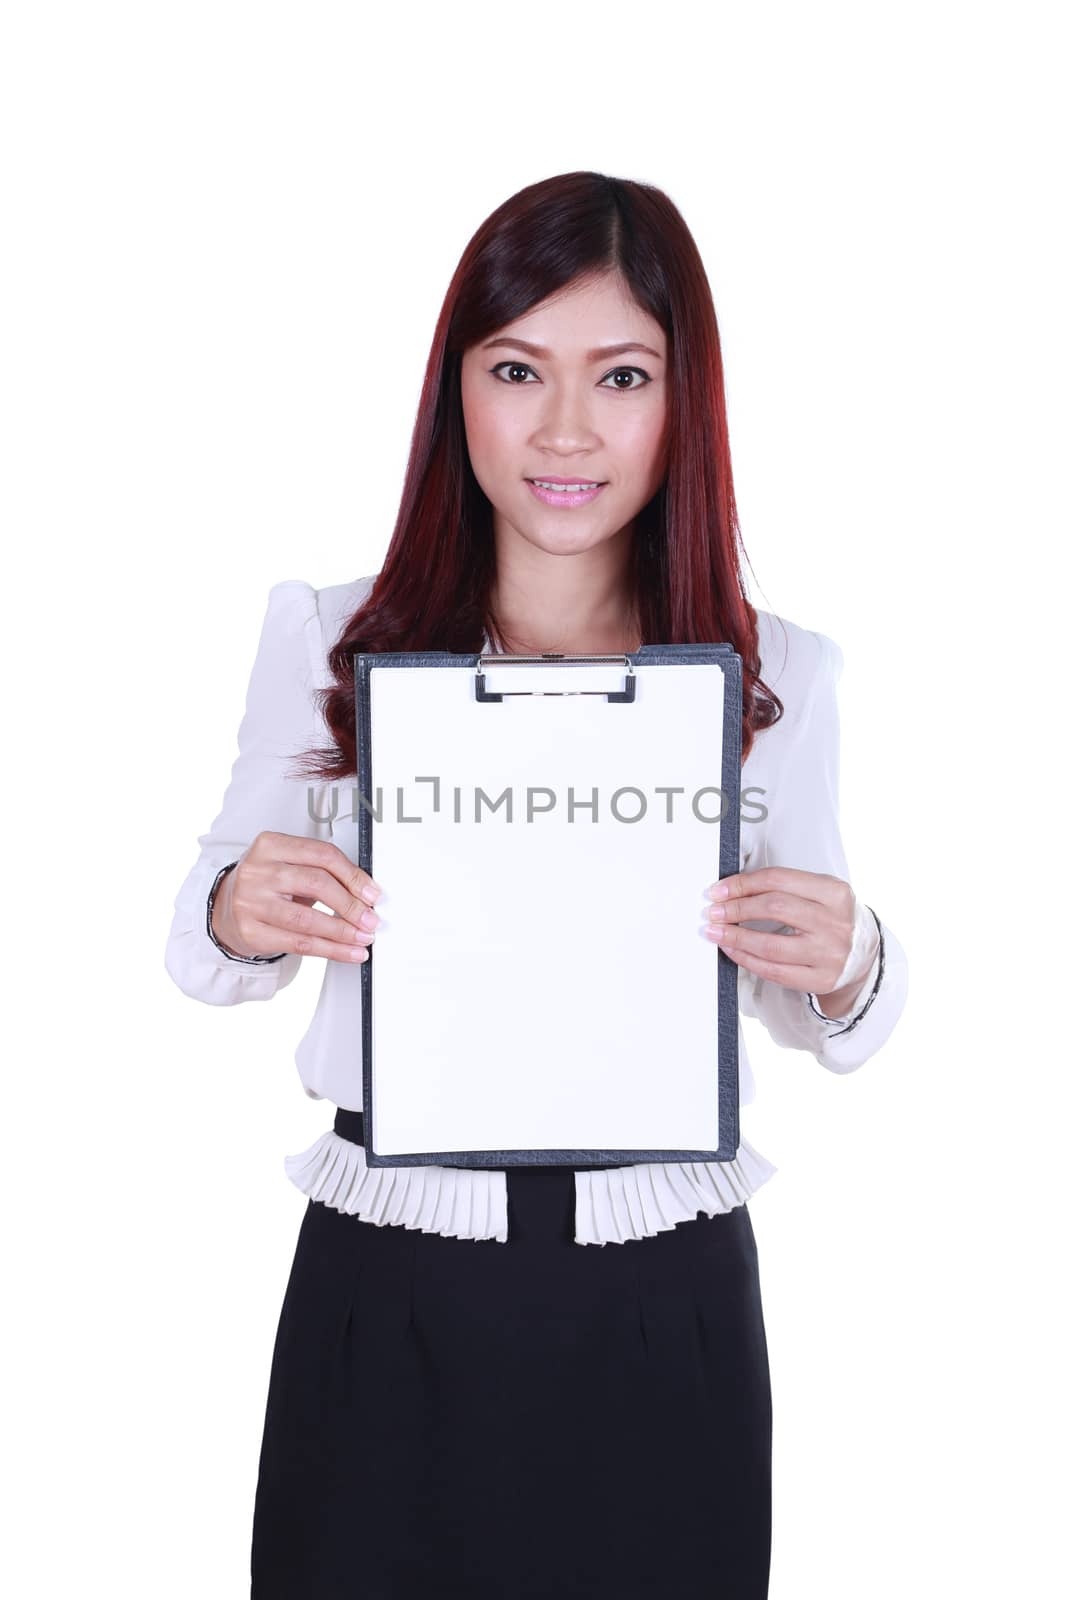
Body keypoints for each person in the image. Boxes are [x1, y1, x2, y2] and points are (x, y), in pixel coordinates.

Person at [164, 170, 908, 1599]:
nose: (567, 429)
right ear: (458, 393)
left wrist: (854, 953)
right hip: (395, 1273)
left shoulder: (776, 675)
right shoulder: (331, 638)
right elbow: (204, 947)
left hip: (659, 1291)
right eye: (518, 370)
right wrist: (236, 906)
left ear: (684, 406)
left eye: (621, 376)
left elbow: (833, 1022)